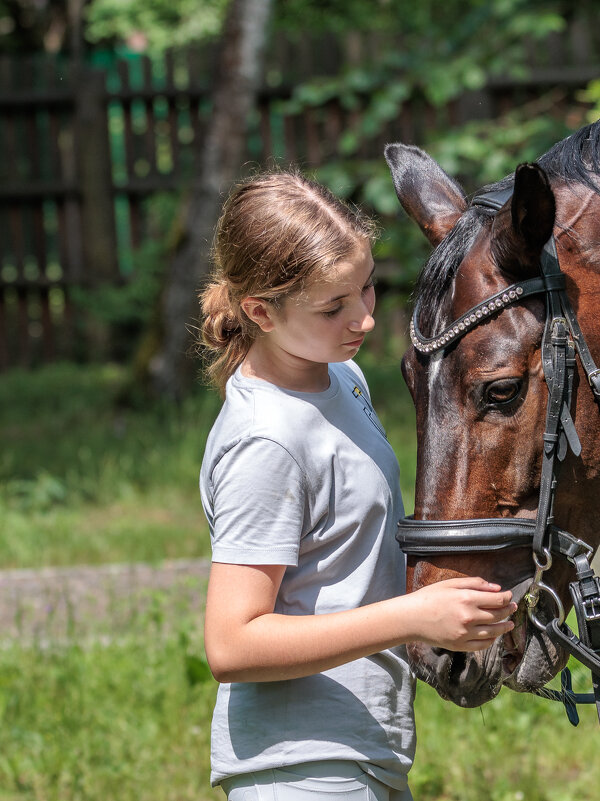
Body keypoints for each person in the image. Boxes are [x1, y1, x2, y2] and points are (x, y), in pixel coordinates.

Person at [197, 170, 517, 801]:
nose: (365, 319)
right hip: (299, 769)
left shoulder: (341, 380)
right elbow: (232, 642)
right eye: (333, 307)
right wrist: (414, 617)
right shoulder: (267, 440)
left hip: (364, 753)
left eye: (367, 288)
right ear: (260, 311)